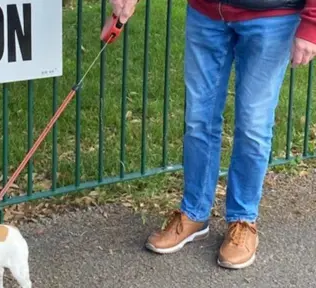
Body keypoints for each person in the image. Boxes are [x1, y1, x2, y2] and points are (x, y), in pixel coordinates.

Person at [111, 0, 316, 269]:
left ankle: (243, 219)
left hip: (272, 17)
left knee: (253, 125)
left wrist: (311, 25)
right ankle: (194, 213)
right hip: (205, 14)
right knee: (198, 120)